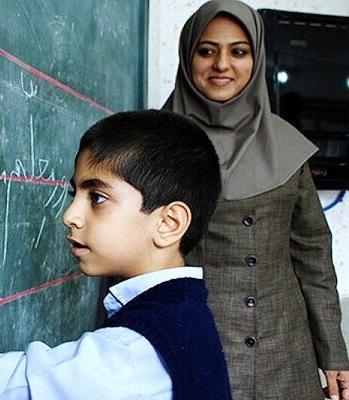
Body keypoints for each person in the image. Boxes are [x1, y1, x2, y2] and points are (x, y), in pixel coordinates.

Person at [0, 109, 232, 399]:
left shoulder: (127, 356)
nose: (70, 215)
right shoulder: (185, 315)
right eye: (74, 194)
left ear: (168, 223)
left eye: (98, 198)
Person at [162, 1, 349, 399]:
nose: (222, 65)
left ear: (256, 59)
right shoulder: (151, 144)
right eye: (207, 50)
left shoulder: (287, 146)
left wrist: (334, 353)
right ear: (188, 54)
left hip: (286, 357)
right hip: (193, 350)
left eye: (239, 51)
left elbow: (313, 257)